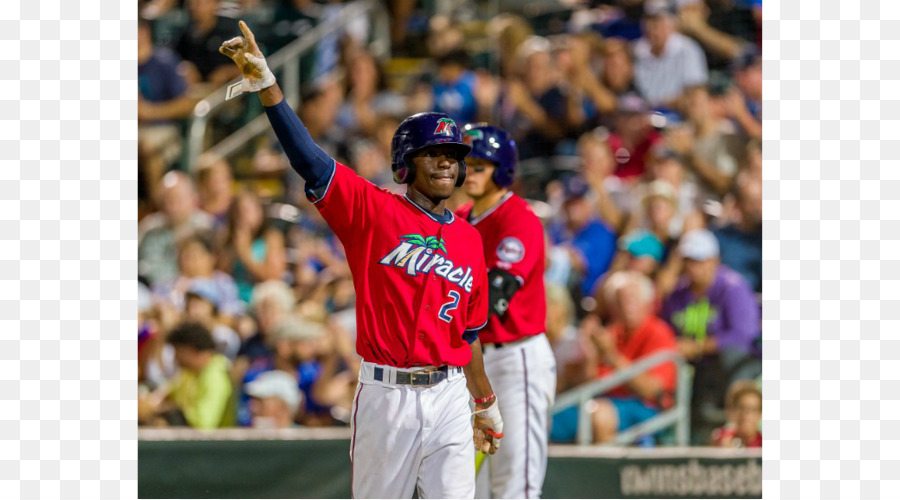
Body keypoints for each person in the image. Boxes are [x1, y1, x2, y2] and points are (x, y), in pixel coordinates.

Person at [219, 22, 502, 499]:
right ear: (405, 163)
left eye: (453, 154)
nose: (447, 162)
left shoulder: (470, 240)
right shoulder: (372, 212)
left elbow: (468, 336)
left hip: (451, 393)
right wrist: (268, 87)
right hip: (387, 394)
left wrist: (484, 402)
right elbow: (309, 161)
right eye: (433, 153)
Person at [455, 125, 556, 499]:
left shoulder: (518, 218)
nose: (472, 172)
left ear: (501, 169)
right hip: (471, 362)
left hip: (516, 358)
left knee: (516, 483)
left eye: (481, 165)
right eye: (468, 164)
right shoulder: (460, 219)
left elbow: (498, 295)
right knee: (470, 487)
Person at [144, 321, 235, 429]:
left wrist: (169, 410)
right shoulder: (189, 373)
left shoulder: (216, 378)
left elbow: (204, 424)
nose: (175, 357)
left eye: (177, 351)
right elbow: (170, 390)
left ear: (190, 350)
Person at [138, 171, 214, 286]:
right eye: (166, 200)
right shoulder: (149, 228)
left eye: (177, 199)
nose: (171, 206)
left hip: (196, 291)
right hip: (151, 291)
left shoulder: (205, 226)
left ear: (192, 198)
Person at [632, 0, 708, 108]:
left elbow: (695, 93)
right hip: (644, 116)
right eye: (650, 21)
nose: (654, 29)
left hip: (679, 115)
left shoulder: (689, 49)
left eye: (659, 22)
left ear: (672, 24)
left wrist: (662, 104)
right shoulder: (635, 51)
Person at [216, 190, 288, 303]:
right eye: (238, 212)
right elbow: (220, 275)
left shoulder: (271, 238)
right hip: (232, 298)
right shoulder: (228, 239)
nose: (243, 217)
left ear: (260, 212)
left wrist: (245, 253)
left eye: (247, 211)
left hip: (262, 299)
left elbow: (273, 278)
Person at [710, 380, 762, 448]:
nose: (746, 415)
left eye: (753, 409)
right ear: (732, 410)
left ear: (760, 414)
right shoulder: (720, 438)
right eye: (742, 408)